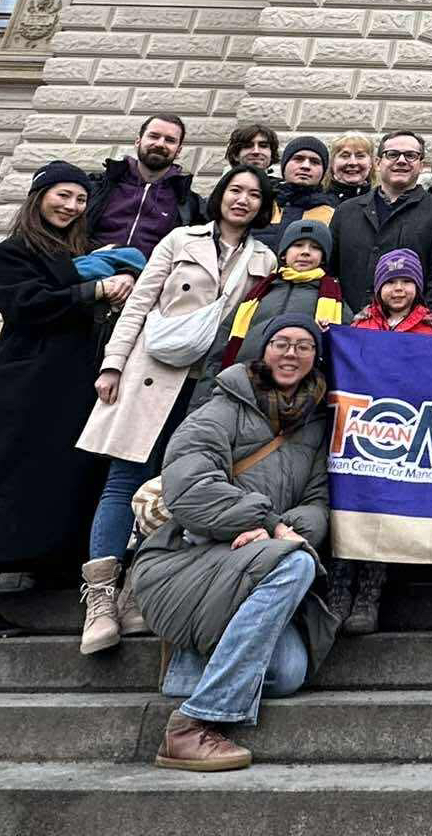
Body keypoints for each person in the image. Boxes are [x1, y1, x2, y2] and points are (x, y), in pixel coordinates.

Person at [0, 163, 129, 639]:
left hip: (63, 390)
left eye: (79, 200)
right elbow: (24, 304)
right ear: (39, 198)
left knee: (17, 495)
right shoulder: (12, 252)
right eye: (63, 195)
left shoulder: (80, 253)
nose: (70, 207)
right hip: (16, 387)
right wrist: (91, 290)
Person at [75, 165, 276, 655]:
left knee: (178, 488)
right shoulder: (179, 239)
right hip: (152, 374)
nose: (242, 200)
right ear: (220, 196)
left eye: (254, 194)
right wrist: (113, 364)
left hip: (209, 389)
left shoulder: (265, 258)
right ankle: (100, 599)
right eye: (235, 190)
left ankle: (140, 591)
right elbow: (139, 304)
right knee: (125, 481)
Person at [134, 315, 338, 772]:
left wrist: (275, 529)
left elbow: (317, 507)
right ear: (262, 350)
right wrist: (263, 521)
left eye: (303, 346)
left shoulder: (315, 427)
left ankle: (191, 666)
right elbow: (188, 489)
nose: (291, 353)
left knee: (286, 674)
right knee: (296, 565)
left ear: (315, 359)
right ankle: (196, 721)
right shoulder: (220, 408)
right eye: (281, 343)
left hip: (256, 554)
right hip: (190, 556)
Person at [331, 249, 432, 633]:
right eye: (390, 282)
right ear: (378, 288)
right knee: (350, 504)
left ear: (418, 288)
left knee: (384, 508)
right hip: (360, 432)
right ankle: (339, 592)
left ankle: (369, 593)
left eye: (406, 281)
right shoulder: (357, 327)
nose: (398, 288)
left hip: (407, 433)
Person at [329, 129, 432, 317]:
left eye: (410, 155)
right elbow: (330, 273)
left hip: (410, 332)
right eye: (392, 154)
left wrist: (428, 327)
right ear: (377, 163)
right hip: (347, 328)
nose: (401, 161)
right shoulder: (346, 211)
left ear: (421, 165)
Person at [212, 220, 344, 392]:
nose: (305, 252)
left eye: (315, 247)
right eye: (297, 245)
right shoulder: (258, 293)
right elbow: (220, 348)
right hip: (244, 385)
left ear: (324, 257)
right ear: (283, 254)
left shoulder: (334, 299)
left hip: (300, 393)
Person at [87, 113, 204, 253]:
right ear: (138, 141)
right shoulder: (99, 186)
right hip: (89, 267)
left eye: (170, 140)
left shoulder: (189, 204)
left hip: (149, 273)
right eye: (154, 136)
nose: (160, 144)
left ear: (178, 151)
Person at [264, 136, 339, 247]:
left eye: (315, 162)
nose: (305, 166)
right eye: (298, 159)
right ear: (284, 165)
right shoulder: (260, 204)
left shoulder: (333, 214)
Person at [327, 134, 373, 201]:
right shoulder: (318, 203)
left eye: (360, 156)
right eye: (345, 156)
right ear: (332, 162)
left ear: (371, 163)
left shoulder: (383, 202)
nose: (353, 162)